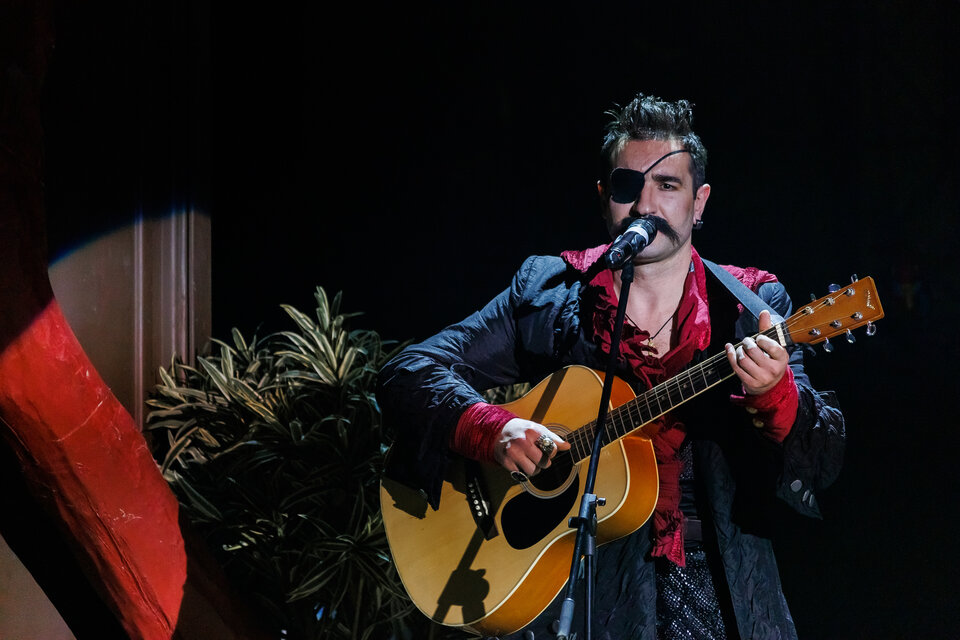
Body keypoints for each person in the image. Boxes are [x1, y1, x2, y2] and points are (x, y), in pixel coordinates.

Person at [377, 93, 845, 640]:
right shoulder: (551, 295)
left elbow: (821, 458)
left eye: (667, 185)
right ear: (604, 198)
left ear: (699, 202)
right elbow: (409, 370)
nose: (645, 205)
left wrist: (775, 393)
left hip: (720, 584)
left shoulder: (751, 306)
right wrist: (494, 431)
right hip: (576, 586)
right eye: (628, 186)